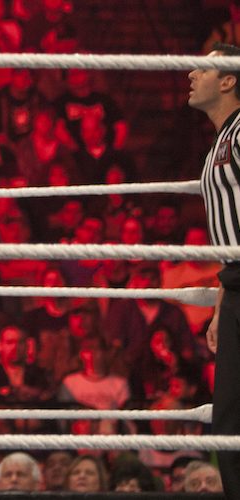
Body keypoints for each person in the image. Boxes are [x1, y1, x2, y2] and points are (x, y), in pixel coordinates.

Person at [192, 41, 240, 500]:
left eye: (204, 70)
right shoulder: (220, 141)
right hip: (237, 283)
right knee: (229, 417)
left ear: (229, 80)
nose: (191, 74)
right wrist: (223, 301)